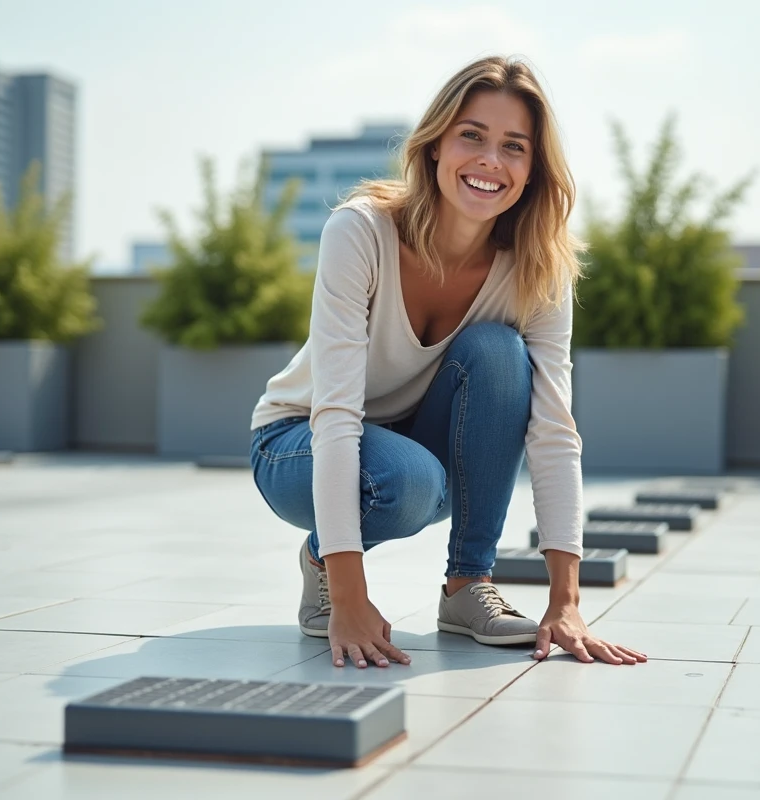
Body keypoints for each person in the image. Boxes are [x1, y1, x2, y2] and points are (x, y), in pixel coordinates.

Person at [249, 55, 646, 671]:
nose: (491, 160)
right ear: (435, 145)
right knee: (408, 481)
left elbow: (553, 429)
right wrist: (349, 595)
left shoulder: (538, 268)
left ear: (533, 170)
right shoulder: (361, 232)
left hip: (418, 452)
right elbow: (336, 414)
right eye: (472, 136)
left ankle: (467, 585)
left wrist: (565, 602)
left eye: (514, 147)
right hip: (297, 441)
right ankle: (323, 562)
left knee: (498, 352)